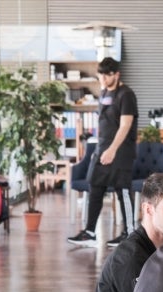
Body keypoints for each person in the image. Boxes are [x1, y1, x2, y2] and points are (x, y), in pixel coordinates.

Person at [67, 57, 138, 248]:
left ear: (117, 74)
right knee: (95, 186)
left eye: (108, 76)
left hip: (121, 151)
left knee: (122, 190)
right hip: (102, 149)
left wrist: (113, 150)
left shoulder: (126, 95)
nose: (104, 80)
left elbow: (125, 125)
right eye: (101, 76)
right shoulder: (105, 92)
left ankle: (129, 233)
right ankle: (90, 232)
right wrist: (99, 149)